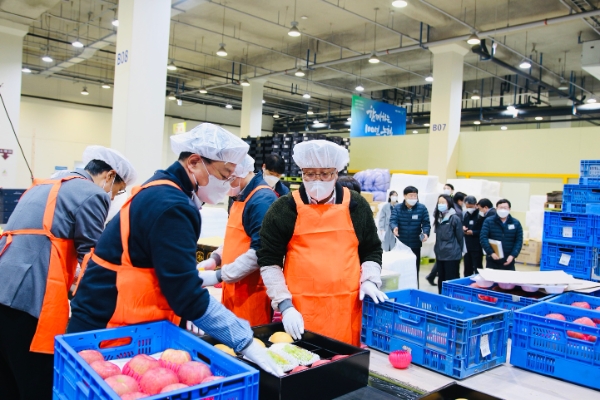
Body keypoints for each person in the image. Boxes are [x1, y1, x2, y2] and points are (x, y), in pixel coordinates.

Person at [67, 123, 282, 378]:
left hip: (118, 323)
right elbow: (186, 295)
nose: (227, 185)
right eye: (224, 175)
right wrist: (244, 340)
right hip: (110, 329)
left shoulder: (159, 188)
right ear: (194, 162)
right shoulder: (172, 206)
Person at [0, 146, 136, 400]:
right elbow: (94, 257)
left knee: (7, 380)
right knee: (36, 380)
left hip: (4, 286)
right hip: (28, 297)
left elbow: (44, 241)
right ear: (109, 176)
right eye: (117, 191)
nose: (114, 197)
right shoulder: (92, 193)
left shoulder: (44, 185)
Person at [257, 140, 386, 346]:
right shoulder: (284, 208)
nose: (317, 180)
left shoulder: (356, 205)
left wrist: (370, 279)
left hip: (345, 310)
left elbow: (371, 249)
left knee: (342, 363)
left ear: (336, 174)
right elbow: (269, 260)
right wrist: (284, 305)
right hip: (300, 311)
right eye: (309, 173)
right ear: (301, 173)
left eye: (324, 174)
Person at [197, 155, 278, 326]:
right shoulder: (241, 195)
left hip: (251, 292)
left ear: (237, 174)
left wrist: (218, 275)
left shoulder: (262, 200)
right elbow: (237, 238)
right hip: (233, 285)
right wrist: (215, 259)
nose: (223, 183)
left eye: (225, 177)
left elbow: (260, 251)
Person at [390, 186, 431, 288]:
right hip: (401, 244)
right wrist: (394, 228)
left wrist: (426, 233)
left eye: (415, 196)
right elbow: (393, 220)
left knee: (414, 269)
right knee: (401, 268)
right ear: (404, 196)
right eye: (411, 195)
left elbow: (426, 223)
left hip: (415, 244)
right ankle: (400, 288)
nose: (413, 198)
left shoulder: (422, 208)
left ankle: (414, 289)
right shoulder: (398, 208)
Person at [480, 199, 523, 271]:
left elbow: (519, 241)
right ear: (496, 208)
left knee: (508, 281)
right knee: (492, 281)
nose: (503, 210)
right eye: (500, 207)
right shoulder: (488, 221)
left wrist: (513, 255)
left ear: (509, 209)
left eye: (505, 208)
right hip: (492, 260)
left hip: (509, 260)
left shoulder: (516, 223)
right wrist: (491, 253)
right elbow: (483, 238)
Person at [433, 194, 464, 294]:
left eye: (443, 202)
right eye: (439, 202)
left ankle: (452, 300)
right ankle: (441, 298)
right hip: (440, 254)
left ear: (449, 204)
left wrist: (460, 252)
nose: (441, 204)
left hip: (452, 255)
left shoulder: (454, 218)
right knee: (441, 279)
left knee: (450, 280)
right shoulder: (438, 218)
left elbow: (460, 237)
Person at [462, 195, 483, 276]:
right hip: (467, 246)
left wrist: (473, 232)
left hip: (476, 246)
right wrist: (463, 228)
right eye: (467, 207)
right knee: (467, 267)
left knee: (477, 268)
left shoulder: (480, 216)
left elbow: (483, 230)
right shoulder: (466, 214)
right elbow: (464, 224)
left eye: (471, 206)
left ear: (475, 205)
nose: (469, 208)